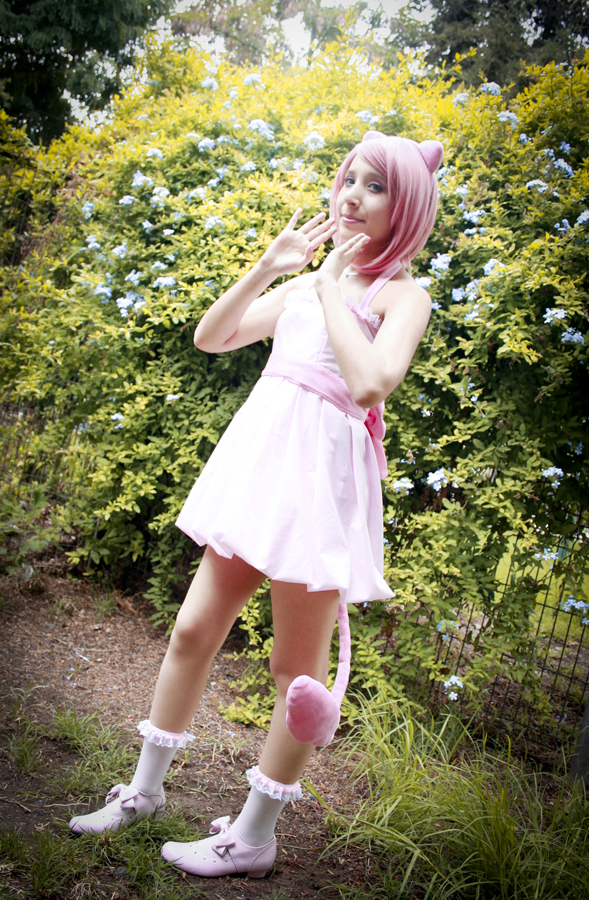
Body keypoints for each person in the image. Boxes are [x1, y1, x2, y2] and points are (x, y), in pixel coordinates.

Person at [69, 130, 443, 879]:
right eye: (349, 179)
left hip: (320, 489)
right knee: (191, 630)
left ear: (405, 206)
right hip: (260, 471)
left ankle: (253, 835)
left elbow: (370, 382)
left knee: (294, 672)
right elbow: (213, 337)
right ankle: (143, 791)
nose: (352, 196)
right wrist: (269, 268)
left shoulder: (403, 296)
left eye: (375, 186)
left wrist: (332, 289)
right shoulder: (307, 284)